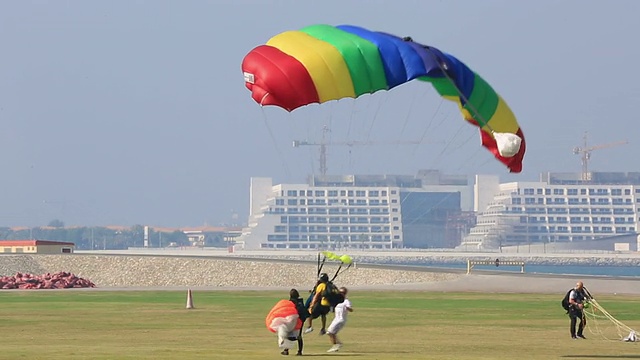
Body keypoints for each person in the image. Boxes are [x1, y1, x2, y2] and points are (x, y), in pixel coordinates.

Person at [326, 287, 353, 353]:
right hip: (336, 319)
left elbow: (350, 309)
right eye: (340, 292)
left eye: (343, 293)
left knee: (330, 332)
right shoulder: (337, 300)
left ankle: (336, 345)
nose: (341, 294)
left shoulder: (346, 301)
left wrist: (348, 308)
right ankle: (337, 344)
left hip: (341, 320)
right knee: (331, 332)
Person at [281, 288, 307, 356]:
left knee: (287, 334)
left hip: (293, 320)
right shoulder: (300, 302)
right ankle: (300, 351)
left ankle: (286, 350)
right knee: (299, 336)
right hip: (300, 321)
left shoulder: (291, 302)